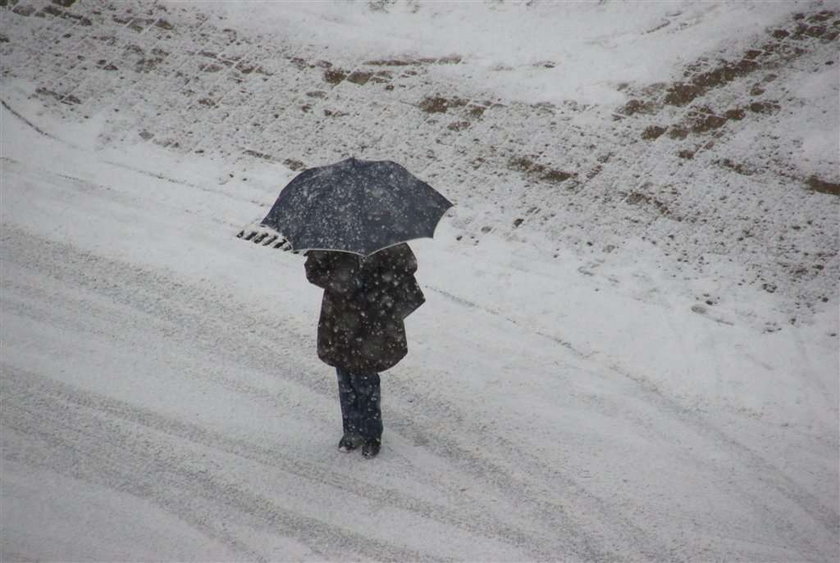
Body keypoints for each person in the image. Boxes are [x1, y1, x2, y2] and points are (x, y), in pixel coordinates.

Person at [304, 243, 425, 458]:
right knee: (345, 377)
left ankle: (371, 434)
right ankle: (351, 430)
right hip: (340, 318)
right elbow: (313, 271)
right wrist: (342, 281)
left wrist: (376, 279)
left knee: (366, 377)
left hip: (371, 318)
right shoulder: (332, 238)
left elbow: (408, 264)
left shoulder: (383, 237)